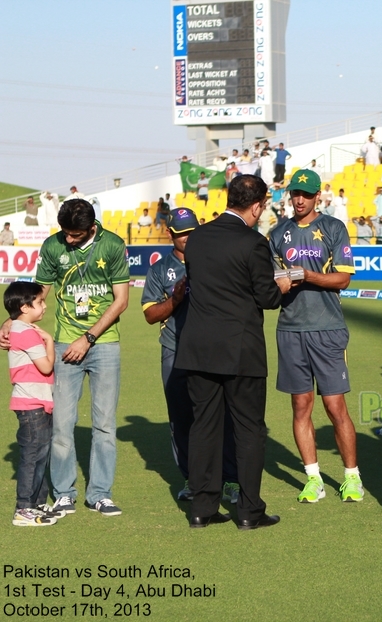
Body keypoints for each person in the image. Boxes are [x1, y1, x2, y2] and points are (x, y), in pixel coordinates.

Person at [175, 175, 291, 530]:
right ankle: (249, 509)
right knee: (248, 430)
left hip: (197, 348)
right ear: (256, 205)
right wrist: (281, 284)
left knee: (203, 428)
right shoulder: (253, 243)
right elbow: (267, 298)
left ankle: (202, 508)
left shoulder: (196, 240)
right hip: (240, 350)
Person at [267, 170, 362, 504]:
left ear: (317, 196)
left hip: (328, 329)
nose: (299, 199)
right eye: (295, 193)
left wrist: (307, 276)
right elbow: (272, 282)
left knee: (335, 407)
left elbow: (343, 279)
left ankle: (352, 477)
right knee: (300, 406)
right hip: (291, 330)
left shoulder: (334, 228)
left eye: (306, 194)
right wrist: (279, 284)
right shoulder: (277, 233)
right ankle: (313, 478)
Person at [31, 199, 130, 518]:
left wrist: (87, 339)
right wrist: (15, 320)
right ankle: (63, 494)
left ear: (90, 228)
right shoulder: (52, 245)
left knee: (104, 424)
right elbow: (39, 294)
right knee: (61, 423)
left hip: (104, 344)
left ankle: (100, 493)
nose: (68, 240)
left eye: (74, 235)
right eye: (65, 234)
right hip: (62, 344)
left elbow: (121, 301)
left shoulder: (113, 245)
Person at [141, 209, 239, 503]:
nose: (188, 238)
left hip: (213, 349)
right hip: (175, 349)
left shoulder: (214, 259)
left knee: (224, 414)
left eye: (192, 231)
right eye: (182, 233)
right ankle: (191, 479)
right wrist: (175, 299)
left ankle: (230, 480)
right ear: (170, 234)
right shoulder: (160, 270)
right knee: (181, 417)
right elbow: (149, 315)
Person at [5, 282, 57, 526]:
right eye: (39, 302)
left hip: (37, 402)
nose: (44, 306)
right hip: (31, 404)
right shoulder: (25, 332)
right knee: (33, 456)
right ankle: (23, 508)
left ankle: (36, 503)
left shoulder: (23, 328)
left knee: (40, 456)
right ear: (24, 307)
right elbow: (46, 366)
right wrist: (49, 342)